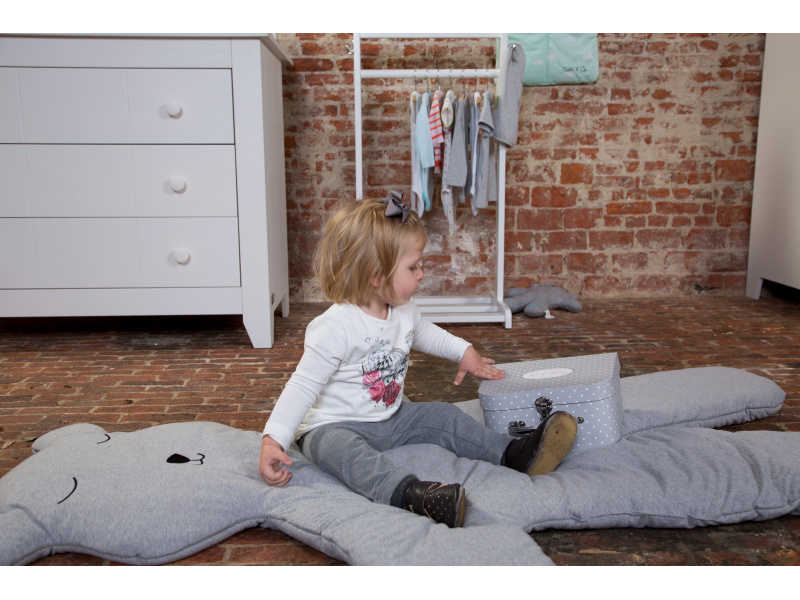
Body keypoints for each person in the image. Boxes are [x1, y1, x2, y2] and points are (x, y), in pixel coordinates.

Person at [259, 192, 577, 528]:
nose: (422, 273)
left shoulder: (403, 310)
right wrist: (272, 440)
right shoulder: (335, 327)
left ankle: (515, 454)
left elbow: (426, 334)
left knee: (442, 415)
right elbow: (302, 387)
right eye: (413, 267)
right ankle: (413, 495)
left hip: (391, 417)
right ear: (376, 275)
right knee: (342, 452)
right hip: (332, 425)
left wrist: (463, 351)